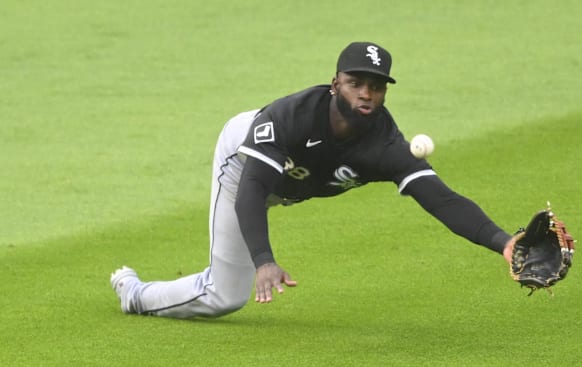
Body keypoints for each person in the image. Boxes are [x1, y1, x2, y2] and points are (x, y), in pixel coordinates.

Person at [110, 42, 515, 319]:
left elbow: (441, 200)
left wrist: (505, 244)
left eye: (376, 87)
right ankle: (136, 294)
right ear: (336, 82)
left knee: (238, 270)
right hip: (245, 162)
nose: (366, 94)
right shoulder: (290, 118)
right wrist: (264, 260)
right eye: (356, 83)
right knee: (225, 296)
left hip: (288, 183)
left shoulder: (385, 144)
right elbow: (251, 190)